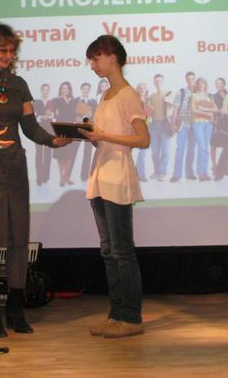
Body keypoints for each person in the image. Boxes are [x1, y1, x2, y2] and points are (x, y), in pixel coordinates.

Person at [0, 22, 71, 338]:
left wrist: (52, 140)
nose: (8, 55)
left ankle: (16, 310)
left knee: (17, 240)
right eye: (2, 50)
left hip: (14, 167)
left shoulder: (18, 84)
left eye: (12, 51)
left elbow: (29, 126)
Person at [79, 35, 150, 338]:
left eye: (95, 58)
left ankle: (131, 317)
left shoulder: (128, 94)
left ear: (112, 57)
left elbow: (143, 139)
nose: (92, 65)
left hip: (118, 177)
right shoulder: (106, 95)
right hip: (100, 176)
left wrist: (104, 135)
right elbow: (105, 138)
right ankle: (116, 314)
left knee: (122, 251)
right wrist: (92, 135)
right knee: (108, 251)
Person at [48, 81, 82, 186]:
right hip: (59, 129)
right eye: (63, 88)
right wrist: (53, 113)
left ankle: (65, 175)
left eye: (67, 88)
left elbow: (86, 112)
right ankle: (62, 177)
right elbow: (48, 112)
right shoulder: (55, 100)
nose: (65, 90)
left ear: (70, 90)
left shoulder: (75, 101)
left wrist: (80, 118)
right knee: (60, 154)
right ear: (60, 90)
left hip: (71, 128)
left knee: (69, 154)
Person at [169, 71, 197, 183]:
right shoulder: (181, 92)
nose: (191, 81)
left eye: (192, 79)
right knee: (180, 149)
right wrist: (172, 124)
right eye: (189, 79)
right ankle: (176, 175)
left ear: (195, 80)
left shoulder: (199, 92)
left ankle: (189, 173)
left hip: (195, 126)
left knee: (192, 150)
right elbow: (175, 109)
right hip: (182, 125)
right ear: (186, 80)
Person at [190, 77, 217, 181]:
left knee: (206, 149)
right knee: (201, 148)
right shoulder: (194, 96)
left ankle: (205, 172)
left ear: (205, 85)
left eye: (203, 83)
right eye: (199, 83)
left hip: (208, 124)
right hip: (198, 123)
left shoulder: (209, 96)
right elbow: (193, 110)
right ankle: (200, 173)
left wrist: (203, 109)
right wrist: (207, 113)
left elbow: (215, 109)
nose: (201, 85)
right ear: (197, 85)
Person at [146, 74, 172, 181]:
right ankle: (157, 172)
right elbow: (147, 111)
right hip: (153, 125)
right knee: (155, 152)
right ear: (154, 83)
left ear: (163, 82)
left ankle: (162, 172)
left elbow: (173, 107)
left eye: (160, 81)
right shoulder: (151, 96)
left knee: (165, 151)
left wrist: (169, 101)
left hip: (165, 125)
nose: (158, 83)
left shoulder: (168, 94)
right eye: (156, 81)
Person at [32, 83, 53, 185]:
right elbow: (33, 115)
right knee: (39, 153)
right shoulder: (36, 102)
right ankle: (39, 177)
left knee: (48, 153)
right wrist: (41, 117)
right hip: (38, 129)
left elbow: (55, 114)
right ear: (41, 90)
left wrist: (51, 115)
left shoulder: (51, 102)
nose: (46, 91)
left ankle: (45, 176)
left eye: (47, 90)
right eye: (44, 89)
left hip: (49, 129)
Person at [134, 82, 152, 182]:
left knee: (143, 152)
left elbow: (152, 113)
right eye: (140, 87)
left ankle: (141, 174)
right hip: (136, 128)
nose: (142, 89)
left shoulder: (150, 100)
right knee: (134, 152)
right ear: (137, 89)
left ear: (146, 89)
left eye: (144, 87)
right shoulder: (133, 100)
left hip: (148, 127)